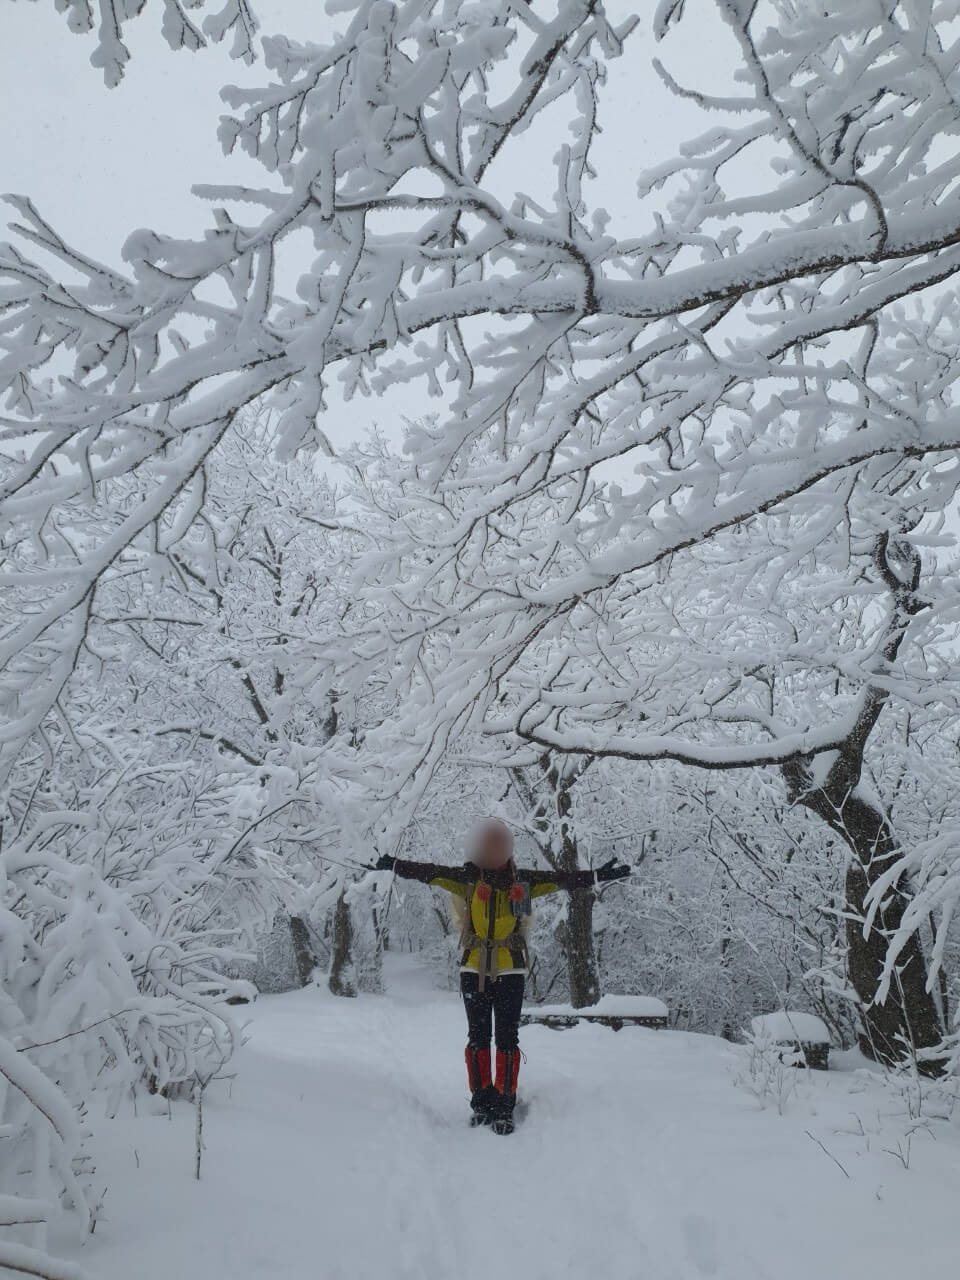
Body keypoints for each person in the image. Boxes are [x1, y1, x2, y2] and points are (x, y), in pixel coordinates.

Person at [375, 818, 630, 1135]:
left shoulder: (522, 881)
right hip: (473, 970)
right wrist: (394, 864)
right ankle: (482, 1104)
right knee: (478, 1039)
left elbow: (563, 879)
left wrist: (596, 875)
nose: (494, 849)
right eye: (488, 843)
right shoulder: (468, 878)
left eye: (499, 843)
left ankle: (504, 1109)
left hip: (510, 971)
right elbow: (430, 873)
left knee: (507, 1040)